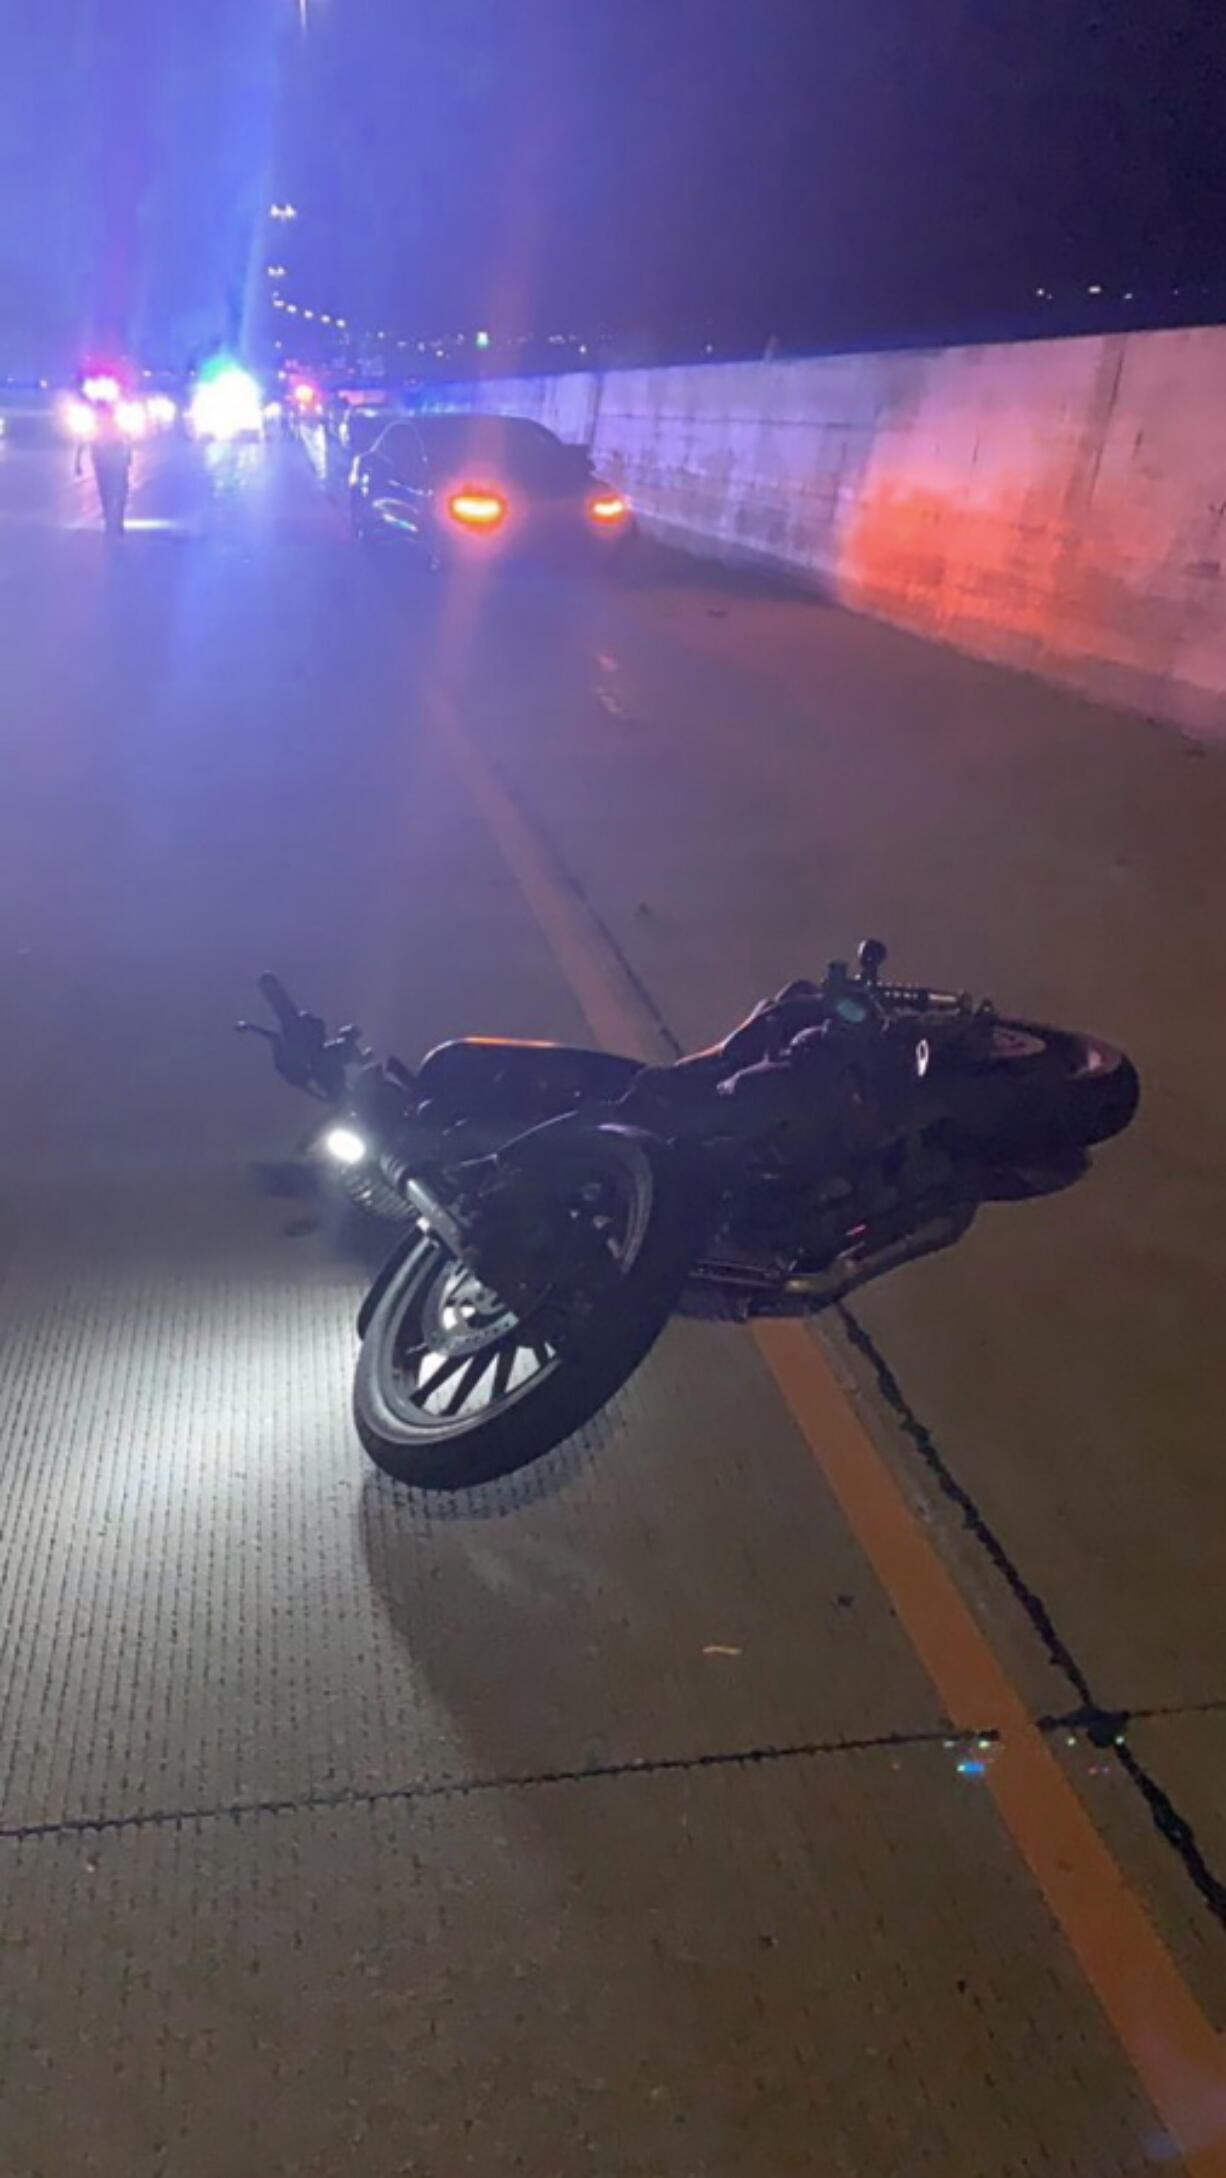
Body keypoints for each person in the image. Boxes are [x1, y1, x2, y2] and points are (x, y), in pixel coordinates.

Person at [75, 401, 133, 534]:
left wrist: (77, 462)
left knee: (107, 490)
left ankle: (111, 518)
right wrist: (129, 456)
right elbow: (127, 439)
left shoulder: (97, 424)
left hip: (104, 459)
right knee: (118, 490)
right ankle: (116, 519)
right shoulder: (114, 423)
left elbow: (82, 441)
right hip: (113, 459)